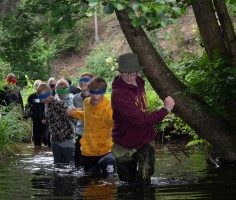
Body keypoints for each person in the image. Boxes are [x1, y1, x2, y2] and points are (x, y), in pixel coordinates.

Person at [111, 52, 175, 185]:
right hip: (124, 142)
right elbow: (141, 120)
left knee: (145, 181)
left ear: (137, 72)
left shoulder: (139, 82)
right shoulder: (119, 95)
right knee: (126, 184)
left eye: (132, 72)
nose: (129, 76)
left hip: (145, 139)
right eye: (125, 73)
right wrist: (165, 109)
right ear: (120, 72)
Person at [68, 77, 116, 175]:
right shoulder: (86, 102)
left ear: (103, 92)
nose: (94, 96)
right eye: (92, 92)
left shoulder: (109, 109)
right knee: (89, 181)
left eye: (98, 93)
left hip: (105, 150)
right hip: (87, 150)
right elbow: (88, 116)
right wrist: (73, 113)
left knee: (107, 181)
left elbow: (119, 125)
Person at [37, 83, 75, 164]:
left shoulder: (58, 103)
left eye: (44, 97)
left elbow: (71, 116)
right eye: (40, 98)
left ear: (50, 93)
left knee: (70, 164)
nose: (42, 100)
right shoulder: (47, 104)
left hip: (66, 139)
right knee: (58, 165)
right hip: (55, 139)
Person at [72, 72, 94, 168]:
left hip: (93, 134)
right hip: (80, 132)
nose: (82, 82)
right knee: (77, 162)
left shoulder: (96, 97)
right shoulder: (75, 98)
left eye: (86, 80)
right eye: (81, 80)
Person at [24, 80, 49, 147]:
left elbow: (49, 107)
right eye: (38, 87)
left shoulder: (47, 96)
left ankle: (47, 152)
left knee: (46, 137)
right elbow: (28, 107)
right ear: (36, 88)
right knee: (36, 139)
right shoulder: (31, 97)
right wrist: (26, 117)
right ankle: (37, 151)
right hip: (35, 119)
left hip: (45, 120)